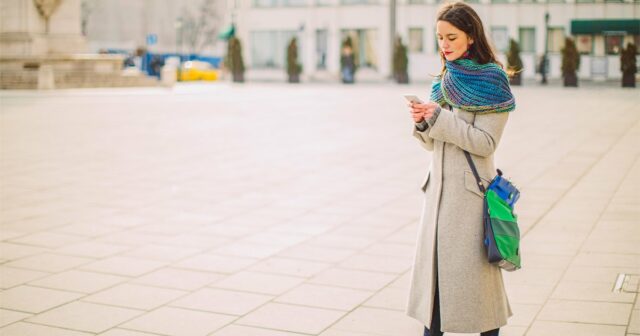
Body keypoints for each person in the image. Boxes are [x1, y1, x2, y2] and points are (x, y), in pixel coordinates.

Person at [405, 2, 516, 336]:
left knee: (480, 298)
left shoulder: (492, 81)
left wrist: (439, 119)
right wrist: (423, 124)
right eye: (440, 37)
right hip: (437, 201)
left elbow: (485, 144)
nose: (444, 44)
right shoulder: (444, 80)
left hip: (470, 204)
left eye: (451, 36)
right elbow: (434, 143)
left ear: (471, 36)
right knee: (434, 299)